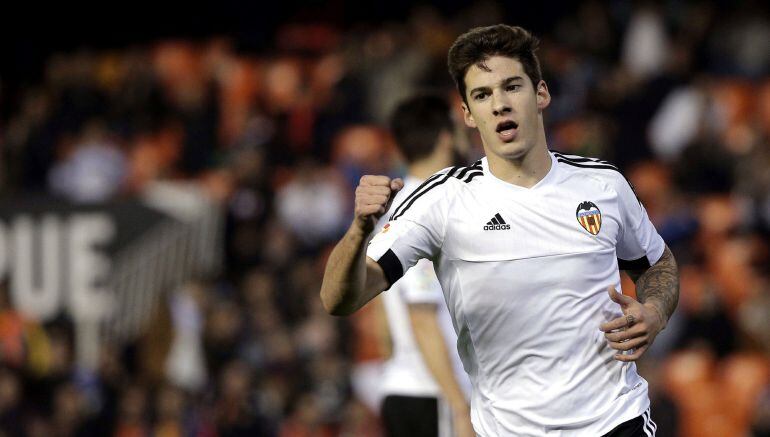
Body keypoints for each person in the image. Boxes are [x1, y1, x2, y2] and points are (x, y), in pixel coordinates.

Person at [321, 24, 679, 437]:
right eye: (482, 95)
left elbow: (658, 265)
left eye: (512, 87)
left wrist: (654, 312)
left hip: (617, 422)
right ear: (468, 115)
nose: (499, 105)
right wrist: (359, 230)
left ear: (541, 93)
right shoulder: (443, 201)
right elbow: (339, 298)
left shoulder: (603, 185)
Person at [374, 95, 473, 437]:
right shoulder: (425, 210)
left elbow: (383, 318)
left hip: (408, 385)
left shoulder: (393, 208)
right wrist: (459, 408)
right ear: (447, 136)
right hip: (435, 395)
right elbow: (421, 315)